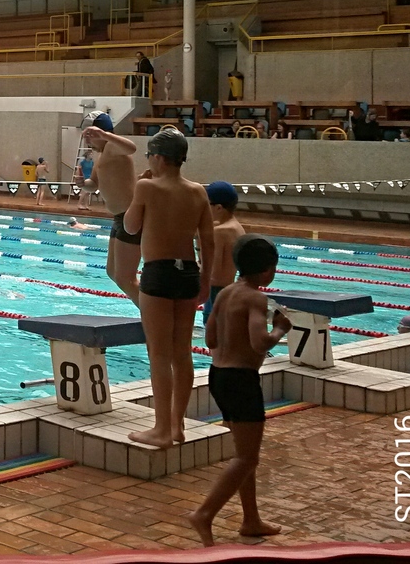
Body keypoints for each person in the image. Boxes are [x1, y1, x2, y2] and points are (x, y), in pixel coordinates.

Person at [188, 235, 292, 547]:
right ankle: (204, 514)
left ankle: (251, 520)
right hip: (241, 381)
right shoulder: (256, 298)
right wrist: (280, 329)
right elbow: (260, 342)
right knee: (247, 458)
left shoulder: (226, 293)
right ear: (267, 270)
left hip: (218, 376)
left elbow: (210, 339)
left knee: (244, 453)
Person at [121, 129, 212, 448]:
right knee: (182, 352)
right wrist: (205, 281)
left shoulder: (147, 186)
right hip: (189, 274)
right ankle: (177, 425)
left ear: (158, 158)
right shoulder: (198, 191)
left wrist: (138, 189)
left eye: (149, 156)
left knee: (159, 353)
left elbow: (130, 226)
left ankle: (161, 430)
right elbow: (208, 240)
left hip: (158, 273)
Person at [80, 124, 140, 304]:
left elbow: (132, 147)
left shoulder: (113, 147)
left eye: (90, 134)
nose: (87, 139)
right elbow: (93, 185)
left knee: (125, 278)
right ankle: (150, 312)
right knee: (112, 272)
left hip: (129, 216)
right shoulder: (102, 156)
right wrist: (83, 184)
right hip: (119, 218)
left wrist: (105, 135)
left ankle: (153, 314)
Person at [203, 182, 244, 327]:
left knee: (214, 338)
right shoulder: (237, 227)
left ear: (219, 208)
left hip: (216, 294)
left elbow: (213, 274)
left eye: (206, 204)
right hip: (229, 291)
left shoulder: (220, 232)